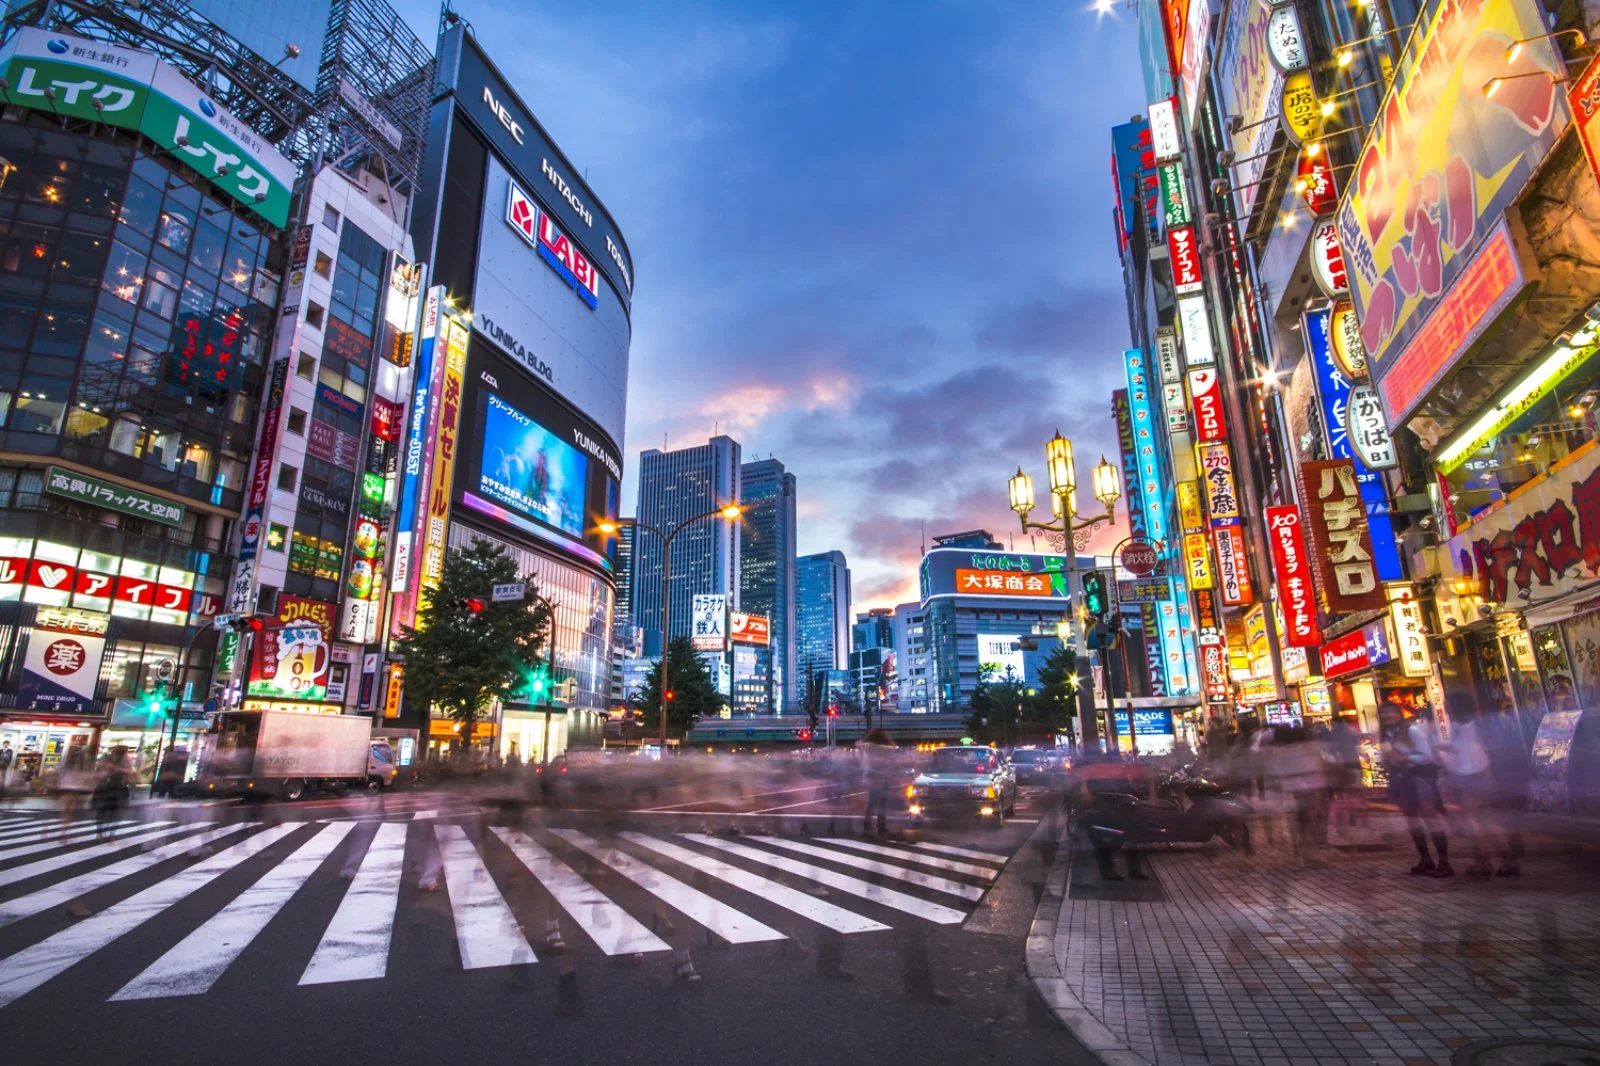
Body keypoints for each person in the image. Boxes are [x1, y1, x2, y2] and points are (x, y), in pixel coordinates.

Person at [1378, 701, 1451, 876]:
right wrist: (1386, 762)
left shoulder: (1412, 731)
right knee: (1412, 821)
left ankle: (1444, 862)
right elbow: (1386, 757)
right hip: (1400, 780)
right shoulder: (1386, 735)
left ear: (1399, 714)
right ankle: (1425, 859)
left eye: (1391, 712)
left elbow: (1426, 756)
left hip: (1418, 779)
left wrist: (1403, 758)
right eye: (1384, 713)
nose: (1387, 716)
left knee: (1430, 819)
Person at [1435, 693, 1495, 876]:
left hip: (1466, 776)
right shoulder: (1478, 724)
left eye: (1447, 705)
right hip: (1483, 774)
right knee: (1484, 818)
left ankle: (1482, 860)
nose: (1445, 708)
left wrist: (1440, 749)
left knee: (1471, 820)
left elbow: (1461, 753)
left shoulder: (1460, 727)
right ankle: (1505, 859)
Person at [1479, 692, 1530, 876]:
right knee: (1510, 814)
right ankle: (1514, 846)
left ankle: (1511, 855)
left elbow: (1490, 752)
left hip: (1503, 774)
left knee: (1503, 816)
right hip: (1512, 773)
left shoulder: (1487, 728)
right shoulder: (1512, 724)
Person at [91, 745, 132, 839]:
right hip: (105, 788)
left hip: (118, 788)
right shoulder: (105, 758)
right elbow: (97, 772)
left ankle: (109, 833)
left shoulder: (126, 761)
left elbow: (129, 772)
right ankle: (101, 832)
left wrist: (114, 769)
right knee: (103, 811)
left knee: (115, 812)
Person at [860, 729, 895, 834]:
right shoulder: (876, 747)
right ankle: (880, 826)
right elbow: (892, 747)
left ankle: (868, 825)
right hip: (880, 776)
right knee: (881, 803)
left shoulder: (869, 747)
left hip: (874, 776)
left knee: (873, 803)